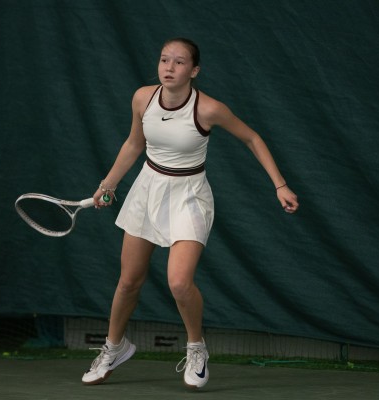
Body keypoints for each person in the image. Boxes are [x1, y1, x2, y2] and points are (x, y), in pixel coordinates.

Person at [81, 37, 298, 389]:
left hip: (190, 197)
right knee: (129, 281)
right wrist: (108, 185)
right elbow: (135, 143)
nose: (169, 67)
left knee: (179, 283)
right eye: (164, 59)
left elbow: (252, 138)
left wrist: (280, 185)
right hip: (147, 191)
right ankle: (114, 348)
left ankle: (197, 348)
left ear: (194, 71)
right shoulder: (142, 98)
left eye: (179, 62)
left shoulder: (209, 109)